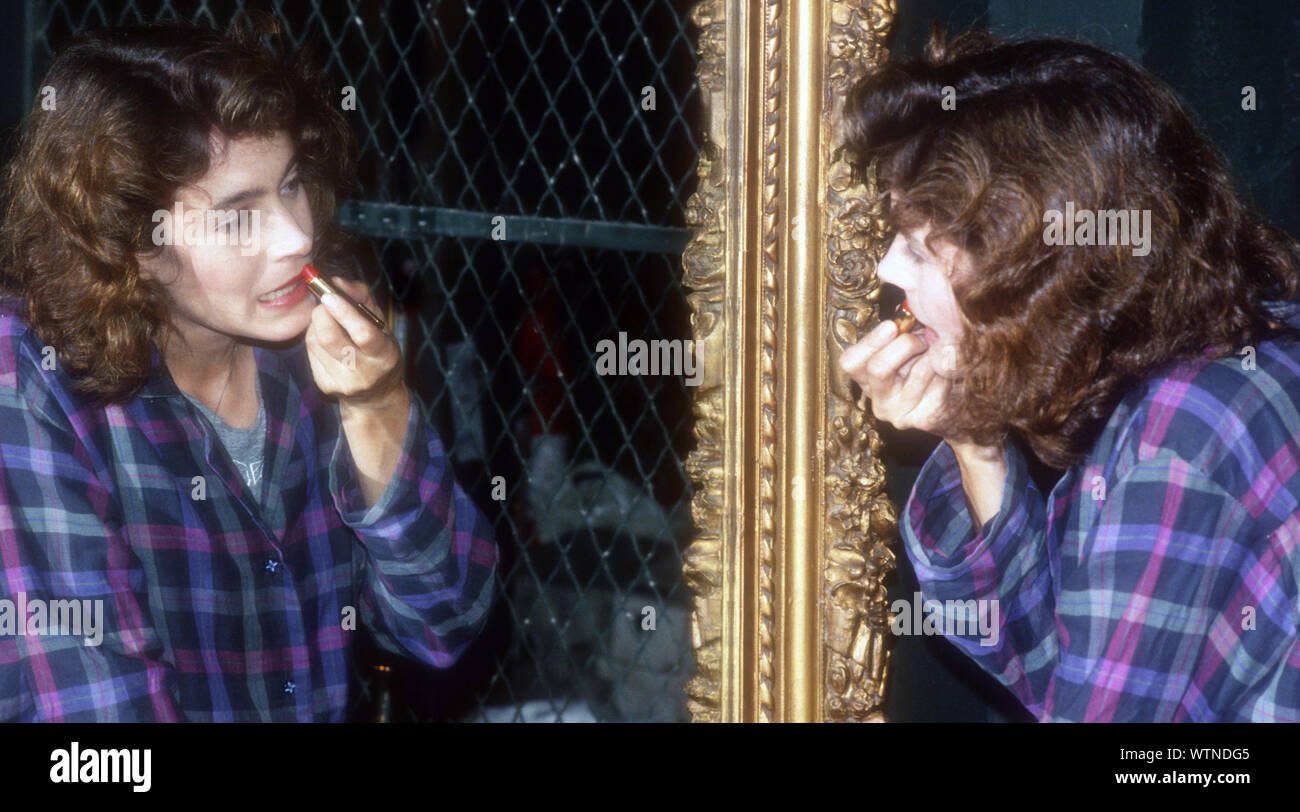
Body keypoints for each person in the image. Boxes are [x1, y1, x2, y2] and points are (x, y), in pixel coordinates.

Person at [0, 16, 497, 721]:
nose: (297, 237)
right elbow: (101, 719)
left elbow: (443, 623)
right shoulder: (32, 378)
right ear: (131, 241)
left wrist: (378, 406)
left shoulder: (310, 357)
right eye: (239, 216)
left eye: (291, 185)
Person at [838, 27, 1300, 721]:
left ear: (1032, 276)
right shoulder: (1234, 348)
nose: (886, 272)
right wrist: (971, 434)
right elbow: (1063, 670)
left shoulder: (1180, 436)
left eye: (920, 249)